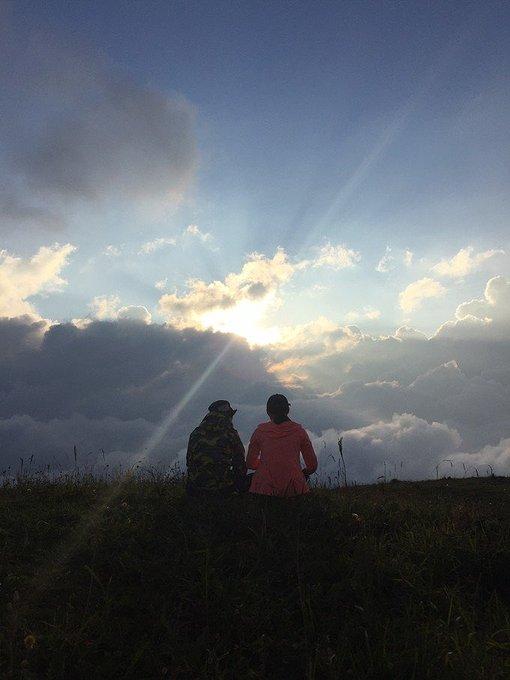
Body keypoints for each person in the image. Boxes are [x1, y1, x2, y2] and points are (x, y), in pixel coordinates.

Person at [246, 394, 318, 497]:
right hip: (294, 490)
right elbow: (312, 466)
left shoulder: (259, 432)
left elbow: (249, 463)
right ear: (287, 410)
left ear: (268, 412)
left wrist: (265, 464)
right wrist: (302, 473)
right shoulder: (299, 432)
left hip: (263, 491)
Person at [186, 400, 249, 497]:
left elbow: (189, 461)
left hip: (195, 488)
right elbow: (239, 462)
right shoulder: (230, 433)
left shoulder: (195, 433)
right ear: (227, 415)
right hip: (221, 489)